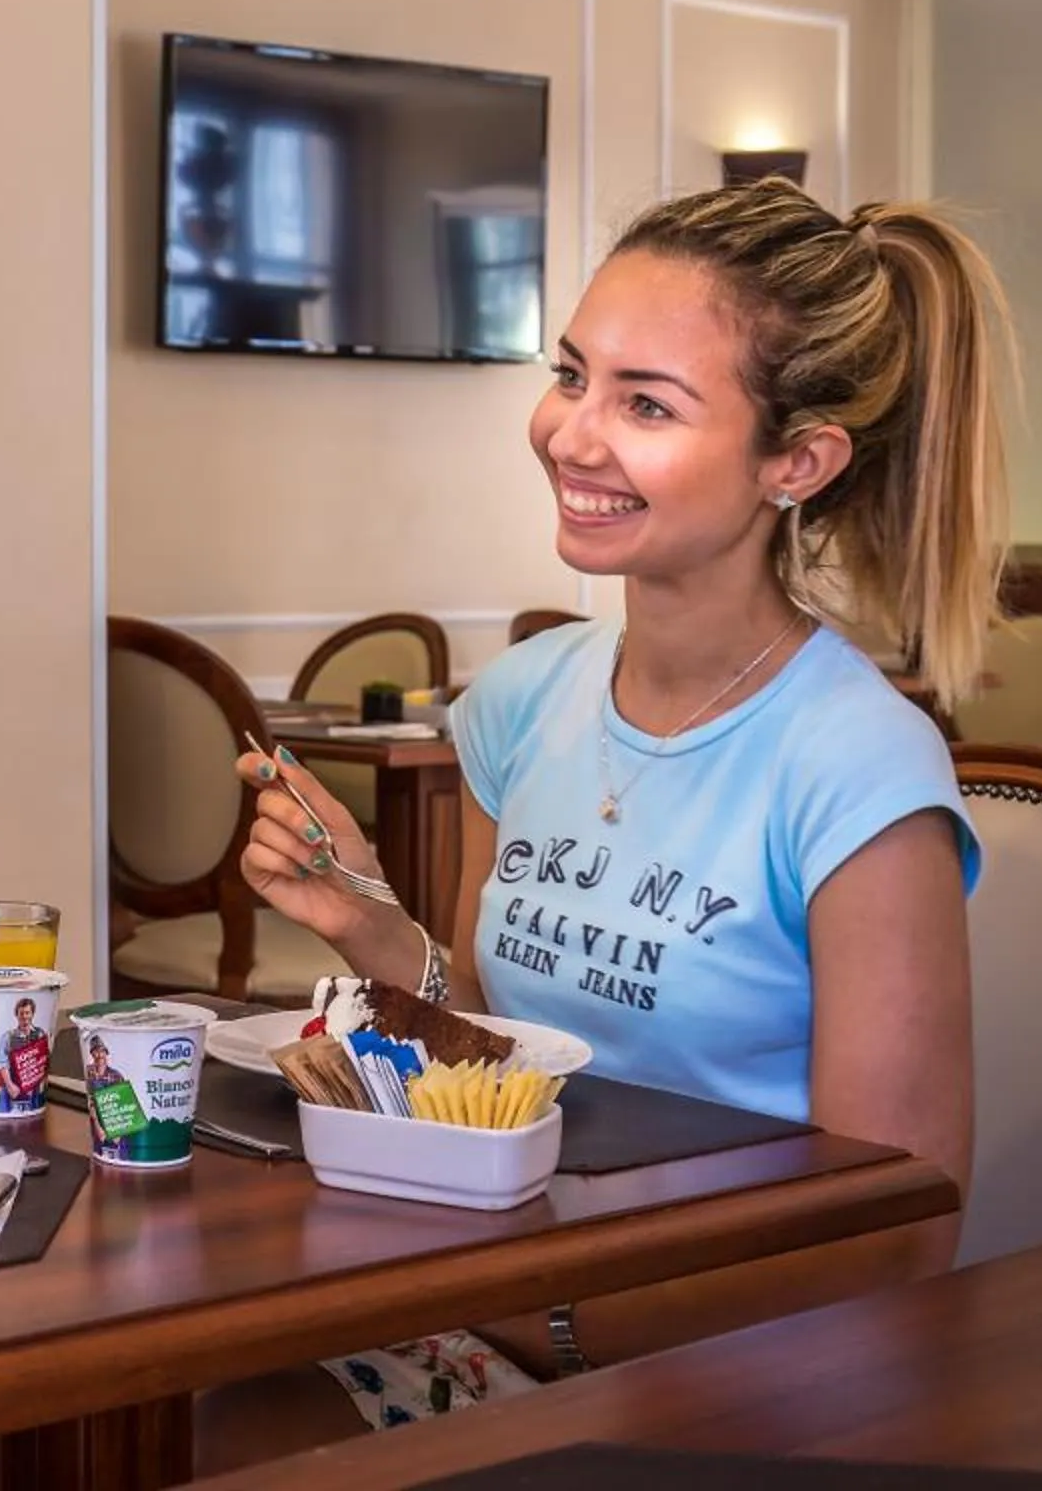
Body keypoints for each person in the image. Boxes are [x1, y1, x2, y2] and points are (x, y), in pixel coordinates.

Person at [233, 179, 1002, 1435]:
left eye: (646, 403)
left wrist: (546, 1313)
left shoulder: (861, 768)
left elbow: (895, 1229)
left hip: (732, 1366)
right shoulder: (522, 701)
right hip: (506, 1290)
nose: (570, 434)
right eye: (571, 375)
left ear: (797, 461)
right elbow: (500, 1054)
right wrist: (370, 920)